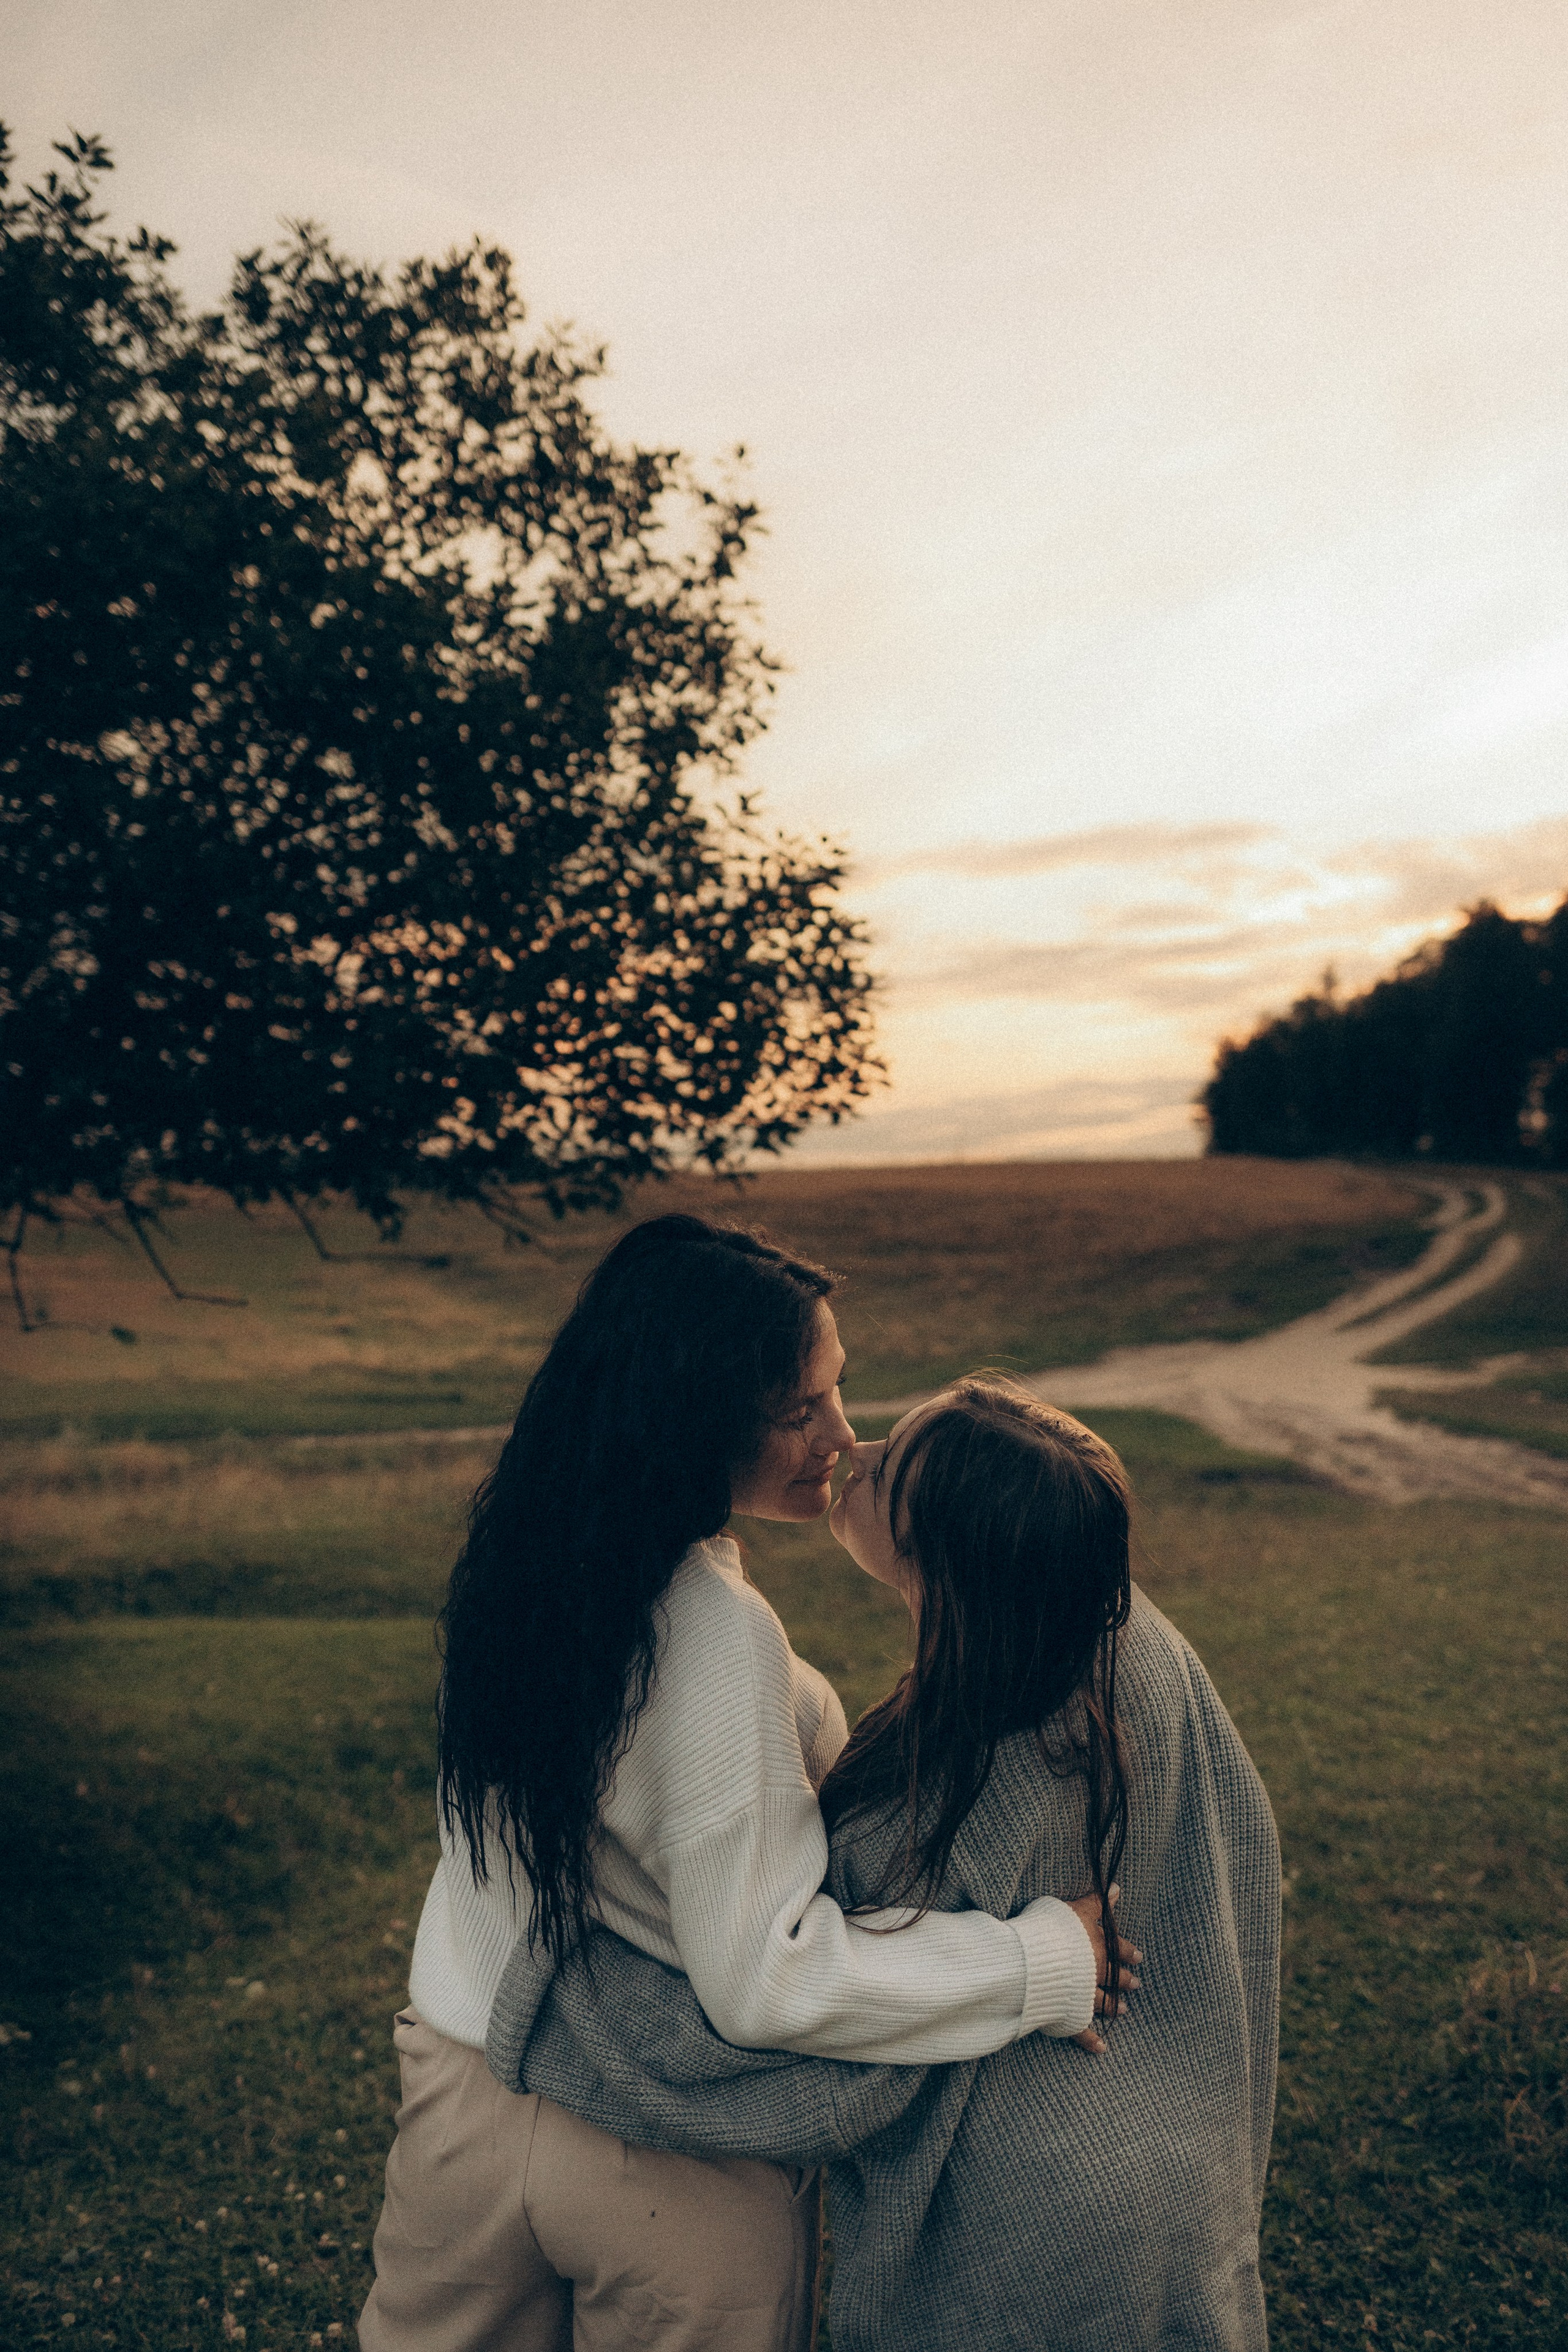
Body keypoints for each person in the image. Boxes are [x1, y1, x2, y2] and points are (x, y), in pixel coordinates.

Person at [360, 1224, 1134, 2352]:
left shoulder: (531, 1572)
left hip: (458, 2099)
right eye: (798, 1410)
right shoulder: (713, 1636)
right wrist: (1044, 1961)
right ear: (692, 1414)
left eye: (837, 1390)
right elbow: (766, 1980)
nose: (841, 1435)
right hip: (666, 2159)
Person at [489, 1378, 1281, 2352]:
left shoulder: (940, 1801)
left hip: (1015, 2221)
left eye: (890, 1468)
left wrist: (582, 1991)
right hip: (1186, 2181)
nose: (852, 1451)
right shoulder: (1128, 1645)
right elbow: (1239, 1864)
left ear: (939, 1558)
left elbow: (824, 2053)